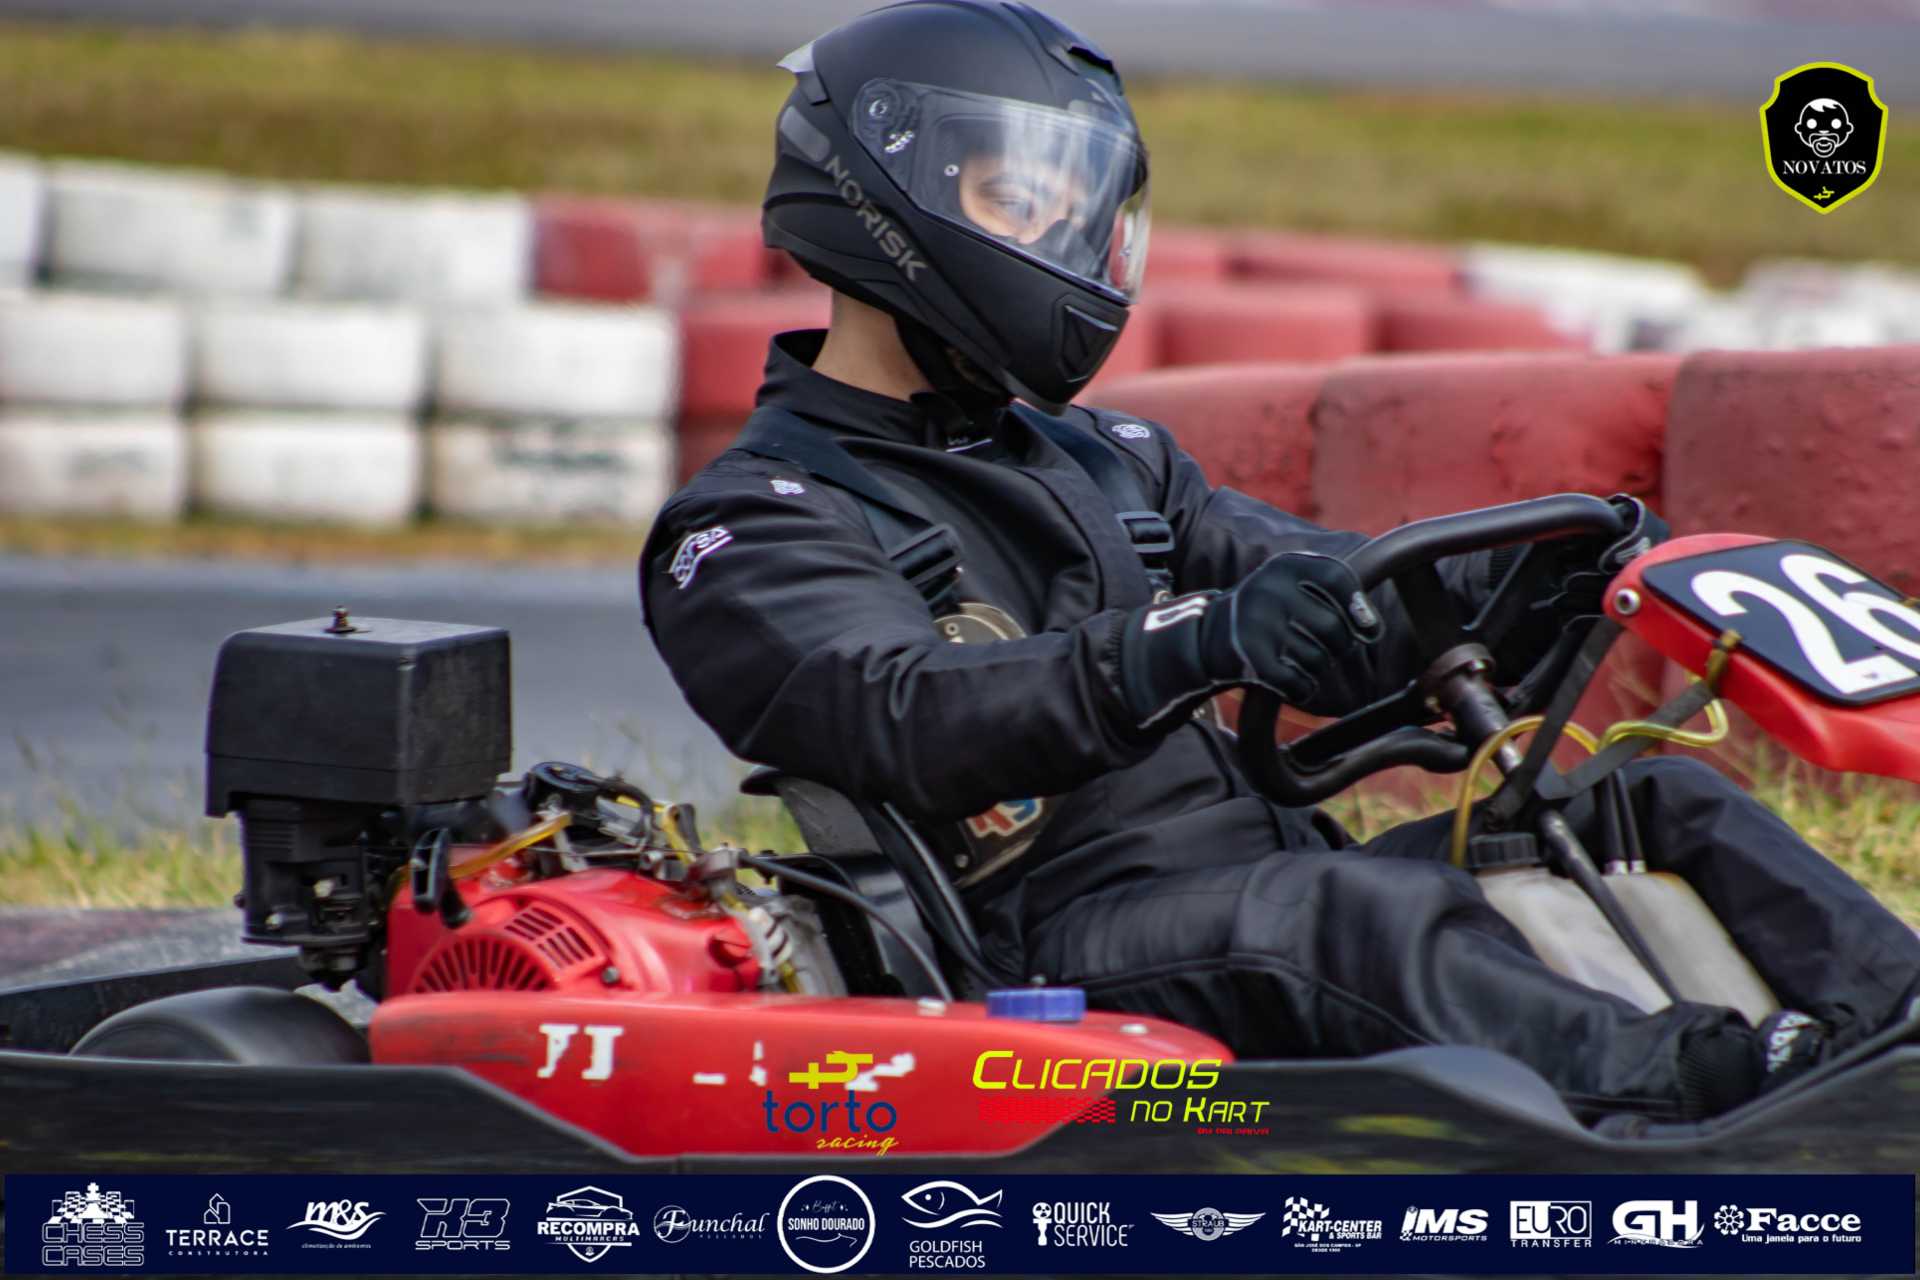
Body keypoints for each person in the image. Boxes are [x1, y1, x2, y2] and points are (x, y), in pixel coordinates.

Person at [640, 0, 1920, 1122]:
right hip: (1052, 950)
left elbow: (1349, 606)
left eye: (1076, 212)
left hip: (1258, 883)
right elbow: (899, 709)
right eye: (1017, 202)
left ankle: (1899, 1032)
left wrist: (1536, 579)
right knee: (1348, 916)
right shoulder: (752, 521)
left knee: (1652, 800)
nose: (1060, 239)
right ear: (880, 194)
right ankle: (1733, 1103)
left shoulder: (1110, 460)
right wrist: (1186, 640)